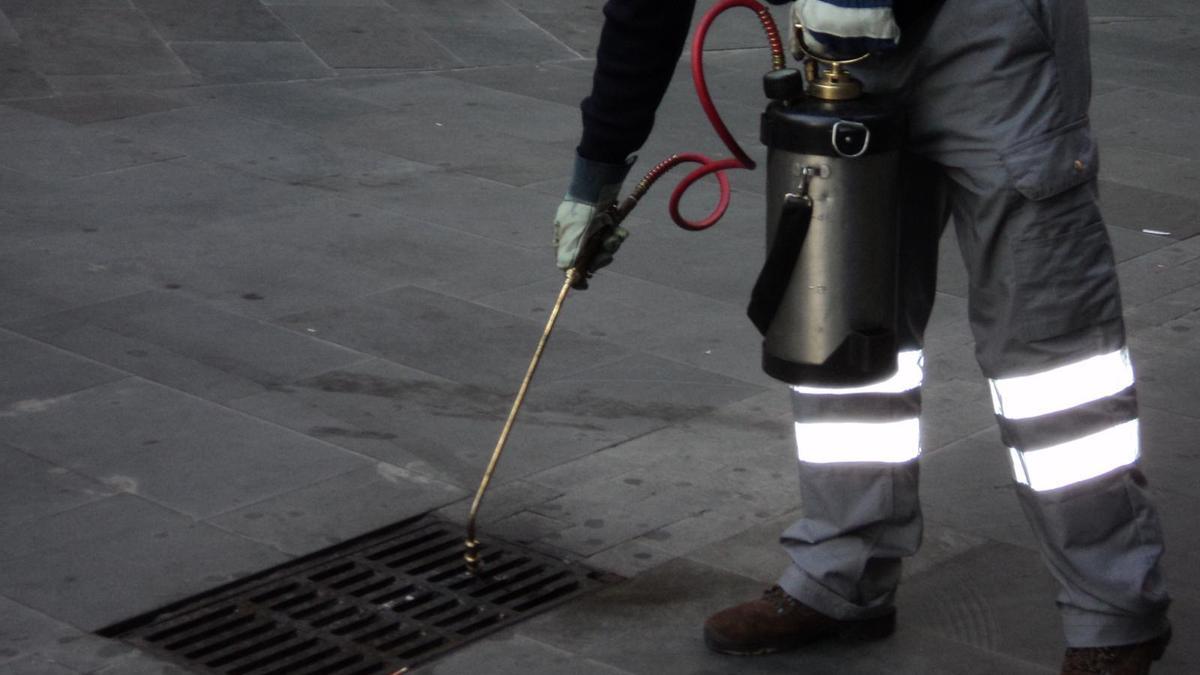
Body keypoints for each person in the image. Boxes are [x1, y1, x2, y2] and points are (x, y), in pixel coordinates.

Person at [552, 1, 1173, 673]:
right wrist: (599, 169)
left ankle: (1111, 609)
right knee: (837, 315)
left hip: (993, 34)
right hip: (846, 51)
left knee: (1048, 352)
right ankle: (840, 572)